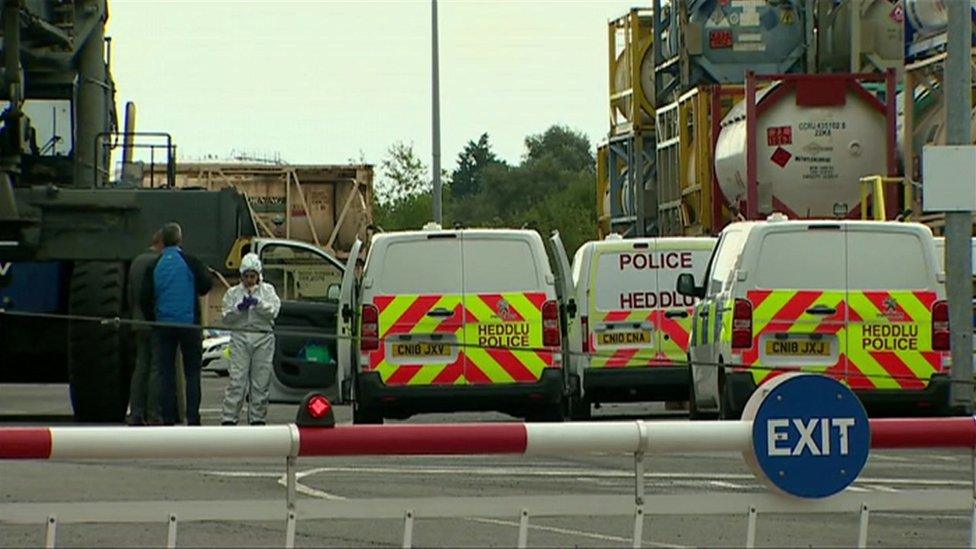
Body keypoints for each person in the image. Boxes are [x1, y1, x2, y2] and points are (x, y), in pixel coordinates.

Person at [140, 222, 213, 425]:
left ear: (162, 241)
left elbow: (144, 297)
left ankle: (169, 417)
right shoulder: (190, 261)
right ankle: (192, 417)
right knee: (192, 372)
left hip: (163, 326)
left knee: (166, 372)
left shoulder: (155, 264)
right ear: (180, 240)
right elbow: (206, 285)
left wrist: (153, 320)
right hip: (189, 326)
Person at [220, 253, 281, 426]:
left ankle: (257, 418)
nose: (249, 280)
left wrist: (258, 304)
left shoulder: (268, 291)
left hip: (263, 337)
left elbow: (274, 312)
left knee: (260, 382)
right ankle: (229, 418)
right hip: (240, 337)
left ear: (258, 276)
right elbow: (225, 318)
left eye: (252, 276)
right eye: (246, 276)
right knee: (237, 380)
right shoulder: (233, 293)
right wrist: (238, 310)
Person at [126, 231, 163, 425]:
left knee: (140, 367)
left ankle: (136, 411)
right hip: (155, 322)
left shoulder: (136, 261)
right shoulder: (160, 261)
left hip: (137, 321)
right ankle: (153, 413)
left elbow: (129, 293)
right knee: (157, 368)